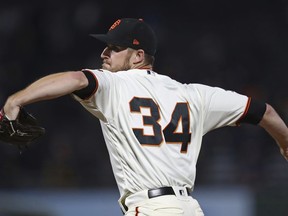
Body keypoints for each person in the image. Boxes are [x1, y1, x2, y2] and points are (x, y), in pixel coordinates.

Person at [1, 18, 288, 216]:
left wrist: (17, 99)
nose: (104, 53)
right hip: (190, 208)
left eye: (114, 48)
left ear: (138, 56)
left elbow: (75, 79)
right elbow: (265, 112)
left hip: (149, 208)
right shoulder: (196, 95)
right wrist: (285, 144)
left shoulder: (115, 84)